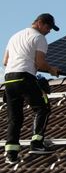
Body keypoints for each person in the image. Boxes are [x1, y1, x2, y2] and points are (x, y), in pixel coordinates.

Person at [2, 13, 60, 164]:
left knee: (15, 117)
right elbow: (40, 64)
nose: (49, 31)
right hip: (24, 77)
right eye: (48, 27)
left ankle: (11, 153)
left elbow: (5, 61)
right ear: (40, 23)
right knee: (43, 107)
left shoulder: (15, 36)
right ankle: (37, 143)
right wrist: (51, 69)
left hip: (8, 79)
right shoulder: (39, 38)